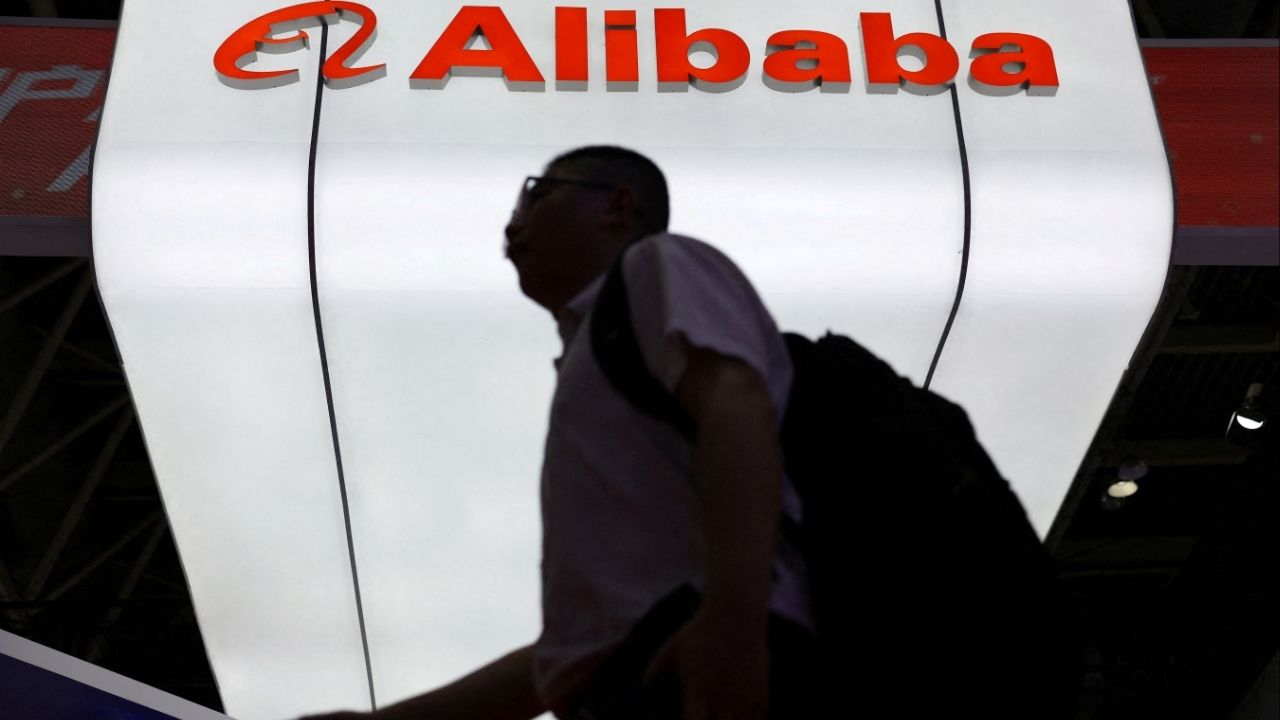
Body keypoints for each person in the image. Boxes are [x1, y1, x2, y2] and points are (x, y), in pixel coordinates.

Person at [302, 145, 814, 720]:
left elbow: (735, 405)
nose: (512, 226)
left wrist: (733, 623)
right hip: (648, 680)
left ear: (617, 205)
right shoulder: (594, 354)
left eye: (538, 196)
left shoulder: (659, 264)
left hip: (701, 676)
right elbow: (576, 656)